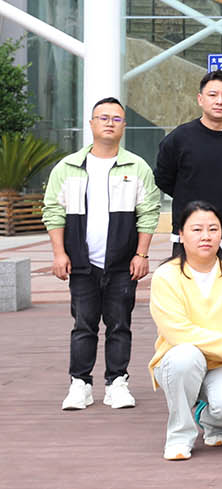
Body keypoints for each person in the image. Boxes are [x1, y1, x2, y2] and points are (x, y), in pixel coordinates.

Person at [45, 97, 159, 412]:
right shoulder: (68, 167)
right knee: (84, 324)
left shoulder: (136, 167)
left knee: (119, 324)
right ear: (92, 123)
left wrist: (141, 254)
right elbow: (53, 212)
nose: (110, 123)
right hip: (82, 262)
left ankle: (117, 383)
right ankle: (79, 384)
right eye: (103, 117)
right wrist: (59, 253)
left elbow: (148, 213)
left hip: (123, 264)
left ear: (124, 126)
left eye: (117, 118)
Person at [147, 202, 222, 461]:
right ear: (181, 234)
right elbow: (178, 333)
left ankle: (210, 419)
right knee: (186, 355)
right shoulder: (166, 276)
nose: (205, 236)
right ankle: (179, 436)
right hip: (178, 362)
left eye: (213, 229)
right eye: (196, 229)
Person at [155, 70, 222, 264]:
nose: (219, 101)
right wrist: (189, 195)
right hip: (188, 235)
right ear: (200, 99)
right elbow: (163, 178)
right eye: (213, 95)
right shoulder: (179, 138)